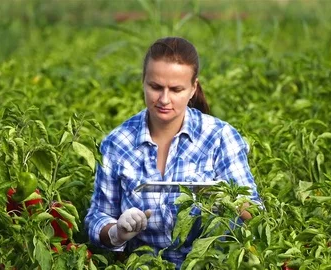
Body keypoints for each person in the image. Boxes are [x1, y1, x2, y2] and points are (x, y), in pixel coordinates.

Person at [85, 37, 260, 268]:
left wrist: (223, 197)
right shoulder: (118, 143)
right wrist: (117, 232)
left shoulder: (219, 137)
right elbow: (97, 217)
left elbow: (255, 213)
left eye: (176, 89)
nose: (164, 99)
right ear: (143, 82)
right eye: (155, 87)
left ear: (193, 88)